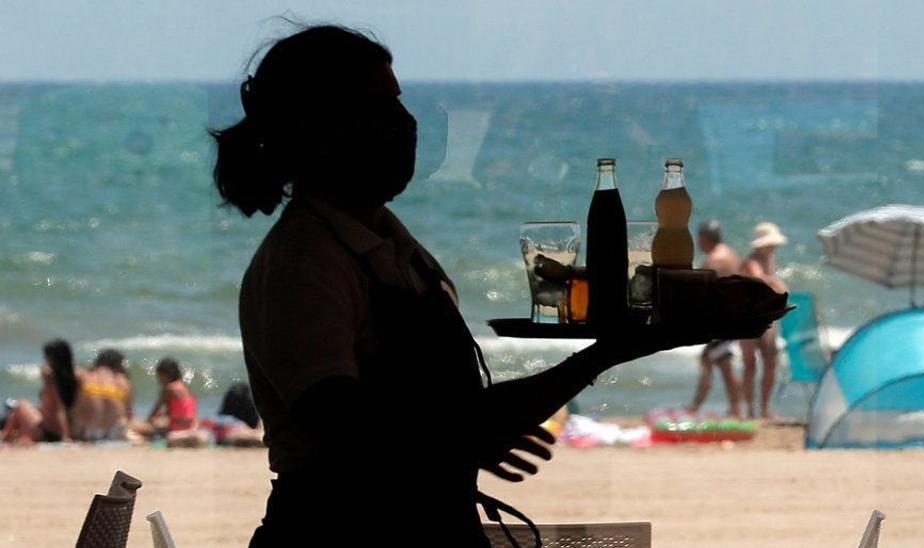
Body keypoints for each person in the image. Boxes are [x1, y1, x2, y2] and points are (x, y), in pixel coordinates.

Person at [213, 25, 709, 546]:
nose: (407, 123)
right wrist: (477, 433)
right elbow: (356, 434)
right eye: (382, 107)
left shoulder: (389, 248)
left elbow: (434, 429)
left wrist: (479, 429)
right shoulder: (301, 264)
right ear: (324, 129)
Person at [687, 220, 743, 417]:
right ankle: (735, 409)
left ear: (703, 238)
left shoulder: (713, 260)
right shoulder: (731, 254)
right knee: (723, 362)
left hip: (724, 320)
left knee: (708, 359)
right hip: (736, 315)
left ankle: (695, 407)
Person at [739, 222, 788, 420]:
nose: (774, 247)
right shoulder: (751, 261)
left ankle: (765, 408)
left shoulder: (770, 258)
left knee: (770, 362)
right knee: (750, 365)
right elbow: (760, 280)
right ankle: (751, 411)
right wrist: (776, 283)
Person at [1, 340, 79, 444]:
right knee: (27, 410)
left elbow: (60, 409)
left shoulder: (53, 381)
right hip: (69, 429)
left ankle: (4, 437)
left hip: (49, 432)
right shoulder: (75, 378)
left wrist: (65, 436)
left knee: (21, 405)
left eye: (47, 358)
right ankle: (10, 435)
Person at [130, 357, 203, 446]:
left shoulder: (169, 389)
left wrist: (147, 423)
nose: (158, 379)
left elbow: (155, 410)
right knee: (159, 420)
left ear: (164, 374)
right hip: (191, 425)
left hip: (176, 427)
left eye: (159, 375)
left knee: (134, 428)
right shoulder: (185, 387)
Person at [78, 349, 133, 442]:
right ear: (118, 364)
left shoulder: (86, 376)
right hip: (114, 430)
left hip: (88, 430)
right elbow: (128, 414)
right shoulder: (122, 381)